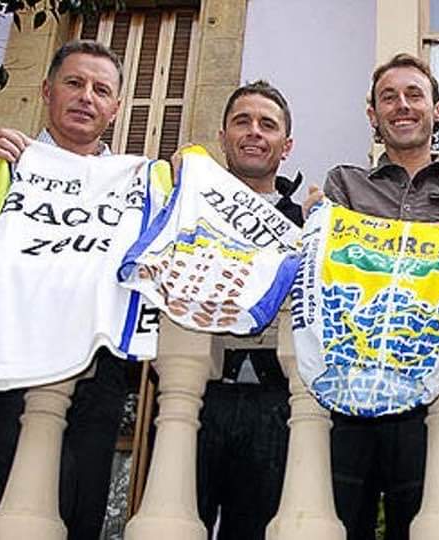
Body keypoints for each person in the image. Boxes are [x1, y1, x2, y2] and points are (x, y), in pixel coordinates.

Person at [305, 52, 439, 540]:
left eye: (413, 95)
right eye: (389, 97)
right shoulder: (344, 185)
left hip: (432, 393)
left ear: (437, 109)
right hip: (348, 389)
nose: (402, 105)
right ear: (373, 114)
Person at [0, 39, 131, 540]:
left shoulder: (135, 185)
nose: (86, 97)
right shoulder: (3, 165)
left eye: (101, 90)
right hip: (7, 365)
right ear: (46, 90)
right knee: (22, 510)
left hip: (96, 373)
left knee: (82, 513)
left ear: (116, 108)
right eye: (74, 83)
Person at [189, 80, 303, 539]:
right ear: (223, 137)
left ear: (286, 145)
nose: (254, 132)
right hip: (198, 394)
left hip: (277, 403)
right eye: (242, 121)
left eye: (267, 125)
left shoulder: (308, 225)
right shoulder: (188, 208)